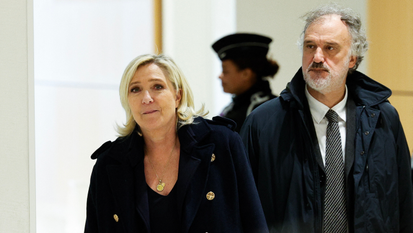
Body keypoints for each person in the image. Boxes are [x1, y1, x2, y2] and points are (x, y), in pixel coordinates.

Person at [240, 3, 413, 233]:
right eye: (310, 46)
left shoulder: (384, 118)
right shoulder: (262, 123)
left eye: (330, 48)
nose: (317, 57)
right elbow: (241, 208)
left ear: (352, 59)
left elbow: (404, 204)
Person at [84, 54, 268, 233]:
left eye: (157, 86)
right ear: (128, 101)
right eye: (135, 89)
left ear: (177, 96)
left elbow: (254, 223)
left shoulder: (222, 143)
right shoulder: (109, 163)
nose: (146, 98)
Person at [212, 33, 279, 132]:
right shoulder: (231, 108)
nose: (220, 76)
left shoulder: (268, 110)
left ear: (246, 74)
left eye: (225, 71)